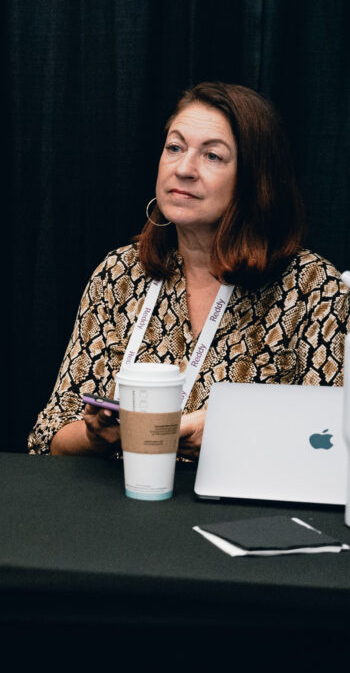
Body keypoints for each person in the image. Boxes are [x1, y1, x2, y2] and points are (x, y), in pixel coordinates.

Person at [29, 82, 347, 459]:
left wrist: (229, 435)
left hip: (240, 514)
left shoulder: (313, 287)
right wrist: (98, 436)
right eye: (174, 148)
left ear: (254, 179)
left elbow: (332, 446)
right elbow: (49, 436)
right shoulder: (119, 273)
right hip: (120, 505)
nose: (184, 169)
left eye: (212, 156)